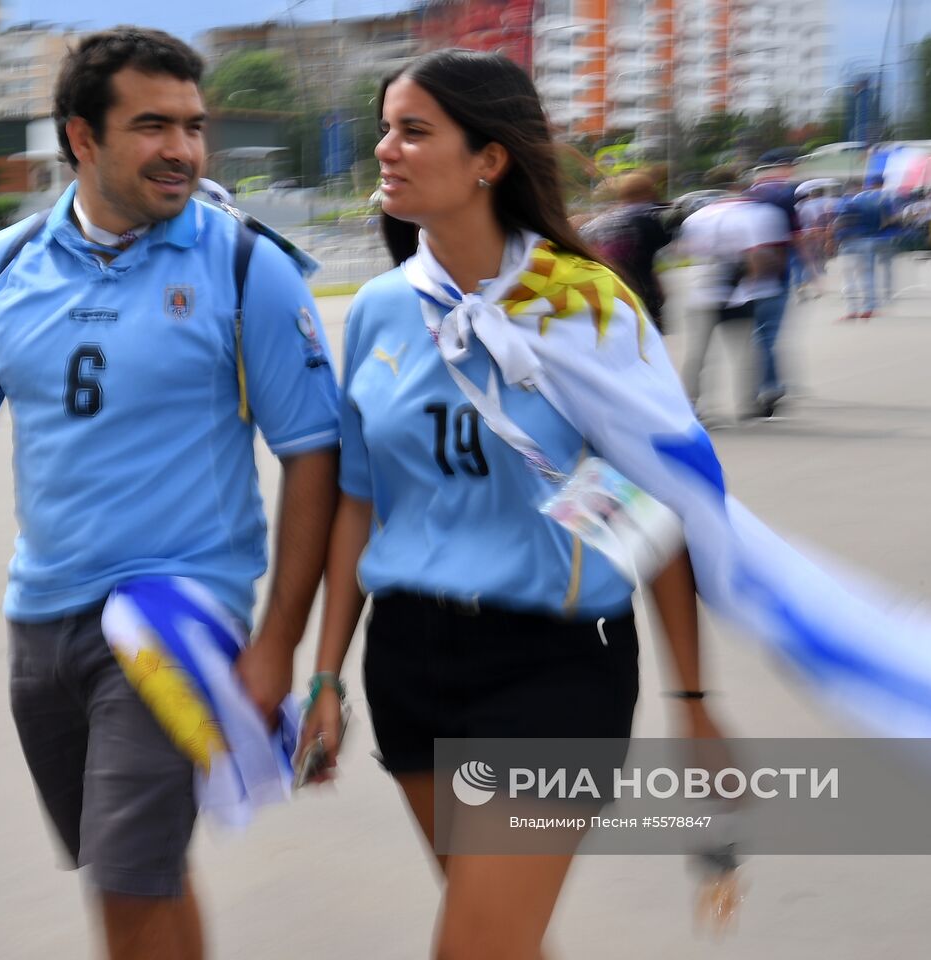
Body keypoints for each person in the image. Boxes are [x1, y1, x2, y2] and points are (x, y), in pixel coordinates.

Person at [0, 27, 340, 960]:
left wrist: (276, 643)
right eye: (153, 126)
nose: (183, 149)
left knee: (126, 883)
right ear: (82, 138)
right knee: (143, 874)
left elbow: (313, 458)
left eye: (193, 126)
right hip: (42, 623)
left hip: (169, 620)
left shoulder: (243, 267)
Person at [294, 49, 732, 959]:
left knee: (477, 947)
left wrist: (692, 700)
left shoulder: (587, 307)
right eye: (386, 128)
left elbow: (657, 506)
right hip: (410, 661)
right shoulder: (379, 310)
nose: (387, 149)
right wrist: (328, 674)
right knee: (503, 939)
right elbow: (359, 503)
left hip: (552, 669)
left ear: (489, 159)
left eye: (414, 131)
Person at [677, 188, 791, 420]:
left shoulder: (696, 217)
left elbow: (682, 252)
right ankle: (749, 404)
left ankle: (692, 403)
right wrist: (760, 277)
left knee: (699, 352)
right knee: (745, 350)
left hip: (702, 290)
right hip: (739, 292)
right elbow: (755, 254)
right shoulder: (755, 214)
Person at [580, 172, 675, 331]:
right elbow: (650, 261)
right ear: (647, 192)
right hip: (639, 292)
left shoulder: (603, 220)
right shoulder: (647, 217)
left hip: (605, 291)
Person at [829, 175, 894, 321]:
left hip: (847, 242)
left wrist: (832, 240)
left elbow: (837, 222)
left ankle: (851, 309)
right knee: (866, 276)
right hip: (867, 239)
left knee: (848, 278)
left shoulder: (845, 202)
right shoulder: (877, 200)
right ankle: (868, 308)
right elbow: (886, 220)